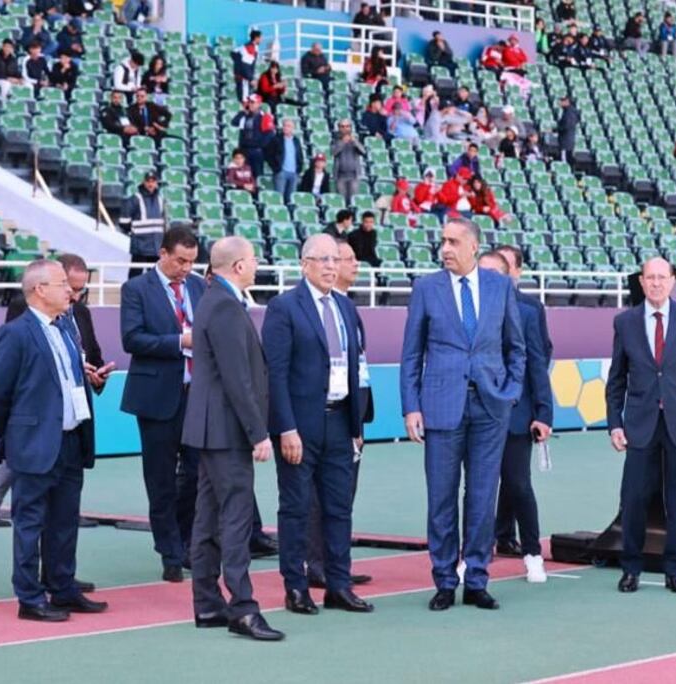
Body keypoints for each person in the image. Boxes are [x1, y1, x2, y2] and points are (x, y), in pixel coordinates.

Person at [400, 218, 526, 612]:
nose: (445, 249)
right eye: (443, 242)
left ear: (474, 246)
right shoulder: (426, 288)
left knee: (482, 497)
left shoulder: (500, 286)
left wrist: (510, 392)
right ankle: (444, 579)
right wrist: (411, 406)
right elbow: (411, 354)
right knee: (441, 497)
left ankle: (476, 577)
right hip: (440, 406)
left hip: (490, 407)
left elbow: (516, 347)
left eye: (453, 242)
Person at [0, 260, 108, 622]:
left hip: (70, 439)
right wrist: (17, 433)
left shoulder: (65, 329)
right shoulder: (17, 333)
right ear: (39, 289)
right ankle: (30, 597)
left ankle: (63, 587)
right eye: (61, 285)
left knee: (65, 520)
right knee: (30, 521)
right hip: (35, 442)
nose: (70, 291)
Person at [262, 234, 373, 617]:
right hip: (301, 427)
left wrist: (356, 422)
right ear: (304, 264)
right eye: (322, 259)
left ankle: (339, 585)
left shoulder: (345, 307)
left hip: (341, 423)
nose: (330, 266)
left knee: (339, 508)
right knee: (295, 509)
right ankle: (296, 587)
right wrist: (285, 428)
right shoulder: (284, 307)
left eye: (335, 259)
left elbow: (356, 366)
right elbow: (274, 374)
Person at [182, 236, 284, 642]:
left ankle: (207, 602)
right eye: (254, 259)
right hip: (226, 429)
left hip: (212, 428)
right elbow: (237, 377)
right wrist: (258, 432)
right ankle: (242, 607)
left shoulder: (215, 300)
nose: (257, 265)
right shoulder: (224, 305)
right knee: (236, 518)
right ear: (239, 266)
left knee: (208, 517)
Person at [607, 257, 676, 595]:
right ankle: (631, 569)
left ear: (672, 282)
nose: (656, 283)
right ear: (641, 282)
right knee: (633, 498)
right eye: (650, 278)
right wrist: (615, 423)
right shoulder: (624, 322)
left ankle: (675, 570)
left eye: (662, 277)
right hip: (640, 424)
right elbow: (616, 379)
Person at [119, 227, 206, 583]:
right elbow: (132, 338)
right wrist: (179, 341)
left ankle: (185, 541)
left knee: (199, 474)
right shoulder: (136, 289)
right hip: (156, 399)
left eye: (191, 261)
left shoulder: (200, 286)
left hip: (197, 396)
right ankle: (169, 553)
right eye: (180, 260)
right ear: (163, 253)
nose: (186, 268)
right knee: (160, 480)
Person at [485, 246, 552, 583]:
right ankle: (476, 554)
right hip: (477, 415)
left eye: (496, 272)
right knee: (478, 489)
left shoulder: (527, 311)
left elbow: (538, 362)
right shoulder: (466, 311)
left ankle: (533, 554)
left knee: (518, 485)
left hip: (515, 414)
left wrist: (544, 412)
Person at [118, 172, 166, 272]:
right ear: (144, 182)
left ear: (156, 183)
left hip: (155, 247)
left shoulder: (160, 200)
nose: (150, 184)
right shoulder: (135, 199)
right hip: (140, 247)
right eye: (148, 181)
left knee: (154, 278)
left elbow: (163, 223)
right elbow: (123, 221)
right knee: (135, 277)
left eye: (153, 181)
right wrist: (133, 232)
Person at [232, 95, 274, 179]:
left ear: (258, 104)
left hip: (256, 151)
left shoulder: (264, 117)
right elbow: (234, 122)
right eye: (249, 102)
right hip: (244, 150)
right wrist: (243, 112)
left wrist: (257, 145)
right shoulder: (245, 116)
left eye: (252, 102)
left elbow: (269, 135)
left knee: (257, 176)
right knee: (243, 176)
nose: (250, 104)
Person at [265, 118, 302, 205]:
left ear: (293, 128)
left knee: (290, 199)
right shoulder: (276, 139)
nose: (286, 128)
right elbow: (268, 154)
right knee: (279, 198)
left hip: (294, 173)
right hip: (281, 172)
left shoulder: (296, 141)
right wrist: (276, 168)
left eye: (288, 126)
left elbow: (300, 156)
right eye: (284, 126)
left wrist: (298, 170)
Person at [330, 119, 365, 203]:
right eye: (342, 126)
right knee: (341, 200)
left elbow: (363, 152)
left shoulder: (355, 139)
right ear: (339, 128)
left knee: (353, 201)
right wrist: (342, 142)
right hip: (340, 176)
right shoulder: (334, 140)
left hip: (354, 175)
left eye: (347, 126)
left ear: (350, 127)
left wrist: (355, 142)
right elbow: (333, 152)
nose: (345, 129)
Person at [233, 30, 261, 102]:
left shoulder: (249, 47)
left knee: (245, 99)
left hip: (242, 77)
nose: (261, 40)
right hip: (244, 79)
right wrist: (251, 79)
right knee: (244, 100)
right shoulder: (250, 48)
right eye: (260, 38)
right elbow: (245, 66)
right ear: (256, 38)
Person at [556, 95, 579, 163]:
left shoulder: (569, 113)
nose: (560, 102)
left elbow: (566, 126)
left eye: (562, 101)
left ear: (567, 102)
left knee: (564, 161)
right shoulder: (570, 111)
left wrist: (555, 130)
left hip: (565, 142)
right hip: (569, 141)